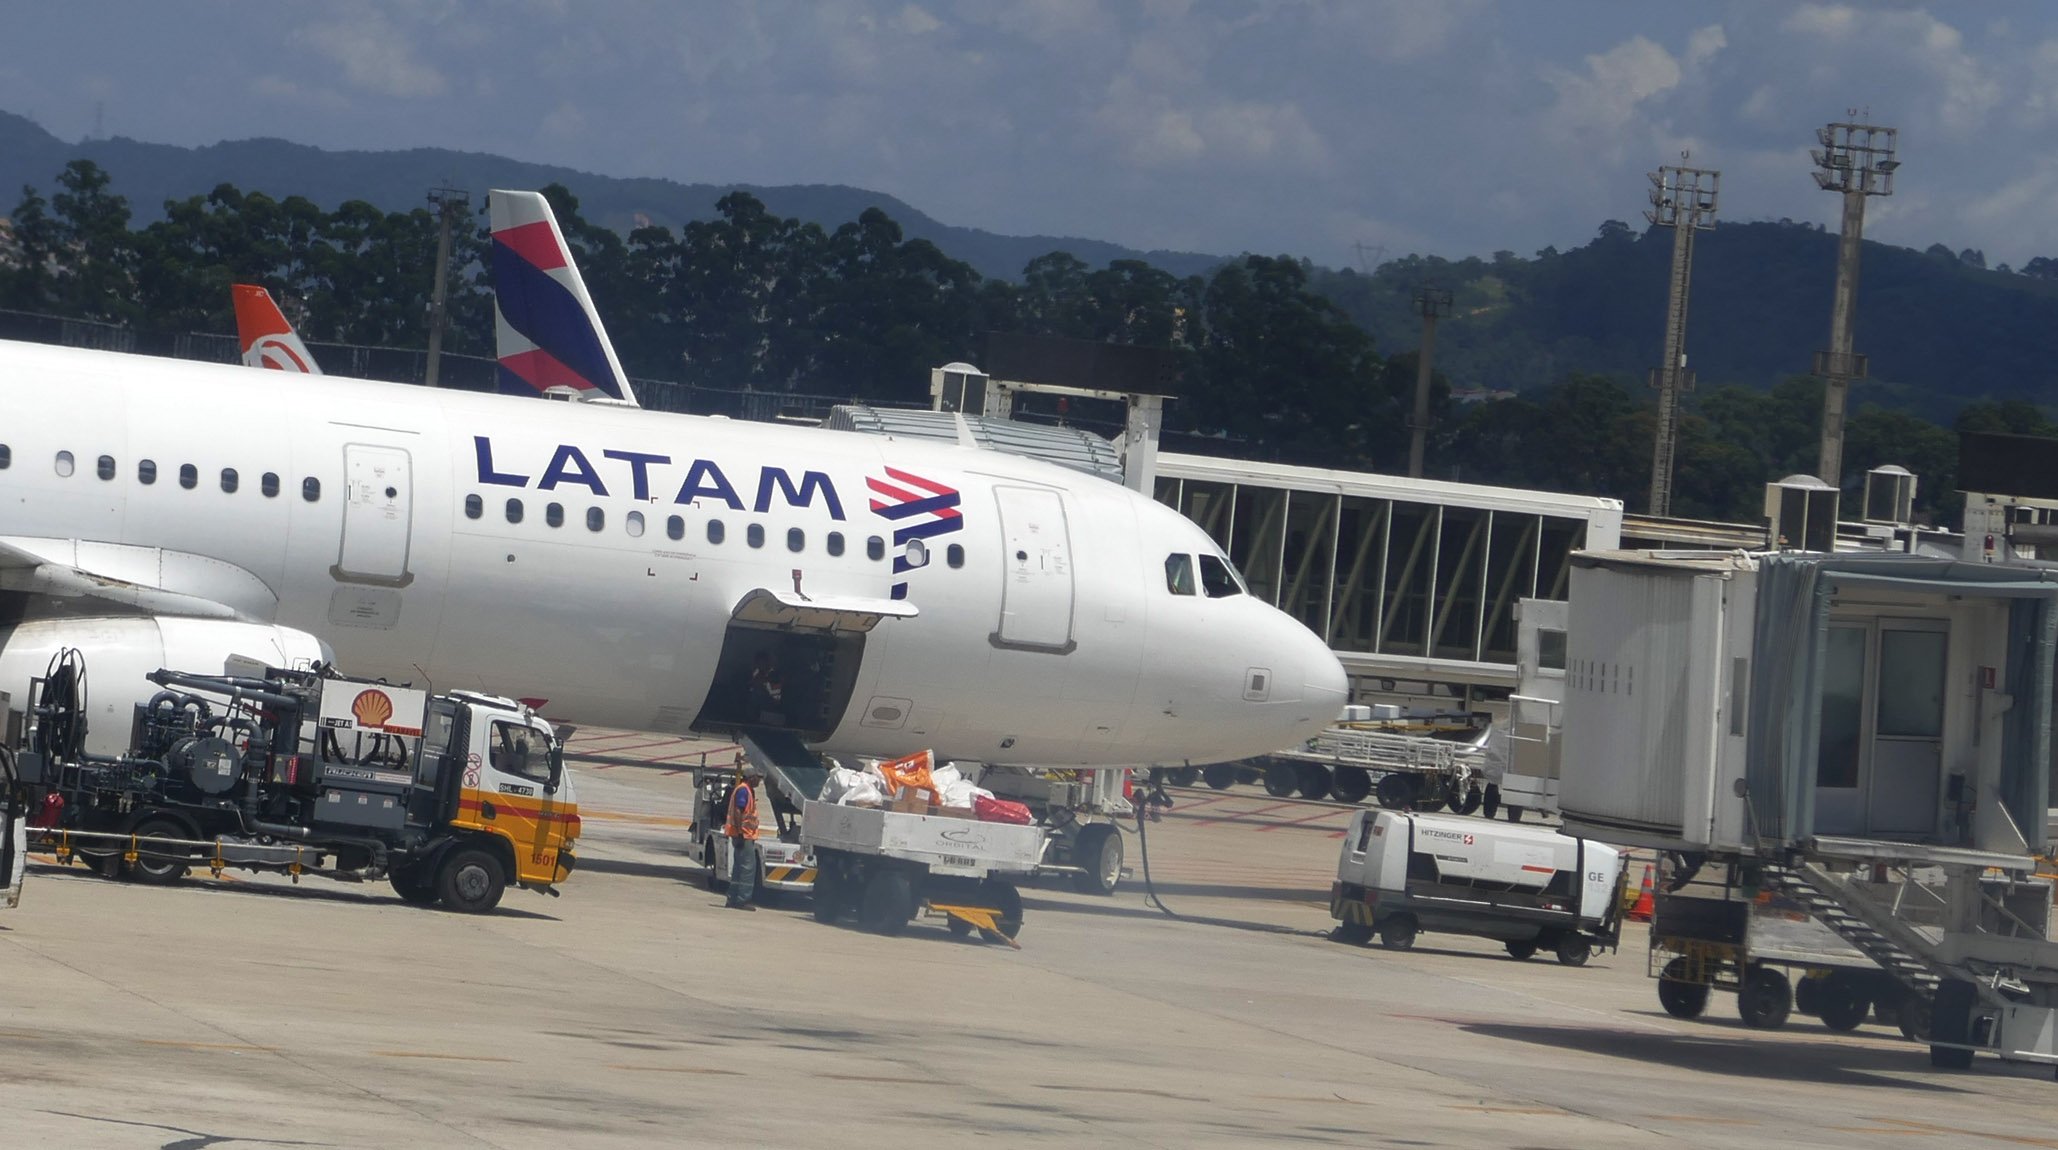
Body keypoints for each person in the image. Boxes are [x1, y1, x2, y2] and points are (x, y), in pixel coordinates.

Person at [724, 759, 764, 910]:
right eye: (758, 778)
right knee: (748, 868)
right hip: (744, 835)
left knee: (738, 868)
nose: (759, 782)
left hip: (741, 834)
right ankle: (742, 899)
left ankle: (732, 898)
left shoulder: (746, 790)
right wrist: (741, 832)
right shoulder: (743, 790)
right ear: (751, 778)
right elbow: (738, 811)